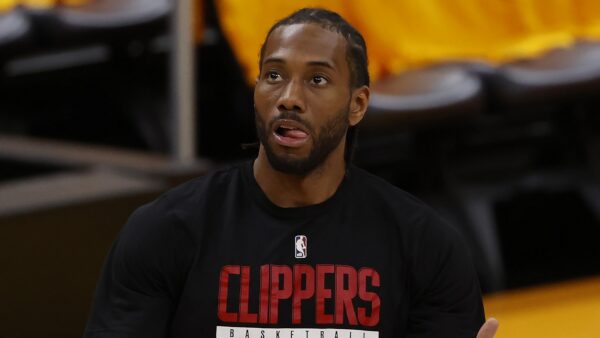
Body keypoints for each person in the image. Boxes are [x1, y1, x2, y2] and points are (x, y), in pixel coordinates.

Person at [84, 8, 498, 338]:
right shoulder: (165, 231)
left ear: (357, 105)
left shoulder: (425, 246)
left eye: (317, 79)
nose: (289, 98)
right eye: (274, 76)